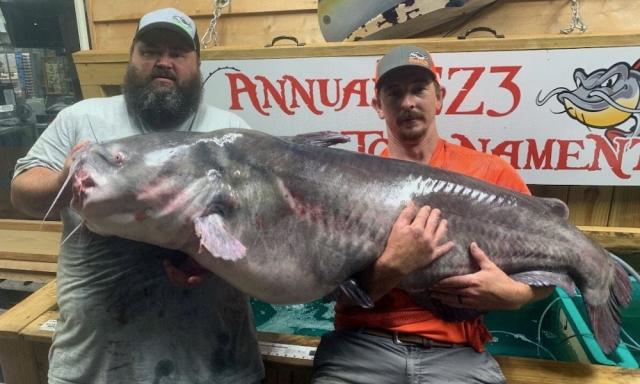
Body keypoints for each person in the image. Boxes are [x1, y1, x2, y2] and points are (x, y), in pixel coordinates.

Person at [10, 8, 264, 384]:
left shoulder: (232, 132)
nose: (163, 62)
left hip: (216, 366)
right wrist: (66, 179)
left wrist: (206, 260)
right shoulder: (82, 119)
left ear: (197, 63)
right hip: (94, 367)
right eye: (149, 51)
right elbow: (23, 194)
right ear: (132, 58)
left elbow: (258, 231)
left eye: (178, 52)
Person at [311, 45, 553, 383]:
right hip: (361, 349)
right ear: (378, 106)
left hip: (458, 356)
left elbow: (550, 266)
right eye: (394, 92)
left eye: (418, 89)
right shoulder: (350, 183)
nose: (408, 102)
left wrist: (516, 295)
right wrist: (394, 266)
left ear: (439, 97)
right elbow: (326, 289)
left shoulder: (491, 172)